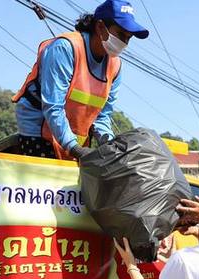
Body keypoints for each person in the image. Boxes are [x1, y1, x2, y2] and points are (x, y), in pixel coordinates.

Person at [12, 0, 149, 160]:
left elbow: (103, 115)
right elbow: (53, 105)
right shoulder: (65, 48)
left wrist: (108, 143)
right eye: (120, 34)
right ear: (99, 27)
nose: (124, 43)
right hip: (39, 130)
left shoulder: (115, 66)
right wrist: (74, 148)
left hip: (73, 138)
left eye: (128, 38)